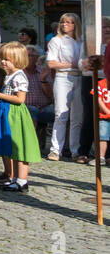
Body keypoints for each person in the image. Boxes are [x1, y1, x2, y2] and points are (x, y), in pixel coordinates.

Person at [0, 42, 40, 192]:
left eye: (7, 59)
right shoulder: (9, 76)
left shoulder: (19, 76)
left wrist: (0, 95)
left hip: (15, 114)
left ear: (17, 59)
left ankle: (22, 181)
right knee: (13, 149)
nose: (3, 62)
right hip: (7, 112)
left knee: (19, 147)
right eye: (2, 58)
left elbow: (20, 99)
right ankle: (14, 178)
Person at [44, 13, 83, 161]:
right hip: (63, 77)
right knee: (61, 114)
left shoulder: (82, 41)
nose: (64, 25)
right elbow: (51, 63)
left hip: (79, 78)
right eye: (63, 22)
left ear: (75, 24)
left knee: (77, 117)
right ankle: (55, 150)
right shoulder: (56, 40)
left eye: (69, 22)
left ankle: (75, 150)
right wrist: (73, 64)